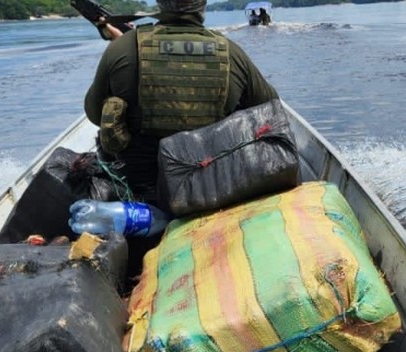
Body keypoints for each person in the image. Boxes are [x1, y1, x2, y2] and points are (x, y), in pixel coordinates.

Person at [84, 0, 279, 207]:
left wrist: (122, 49)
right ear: (203, 5)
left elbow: (94, 113)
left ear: (160, 3)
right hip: (213, 191)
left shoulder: (122, 48)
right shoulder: (231, 53)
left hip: (141, 193)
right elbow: (271, 109)